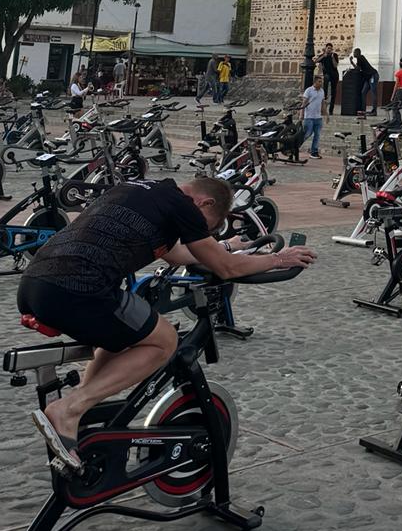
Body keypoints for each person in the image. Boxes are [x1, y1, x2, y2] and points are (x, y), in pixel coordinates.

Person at [17, 174, 315, 470]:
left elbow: (181, 254)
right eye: (205, 226)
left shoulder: (141, 191)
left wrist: (226, 245)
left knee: (127, 334)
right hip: (77, 288)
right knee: (164, 340)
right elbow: (227, 269)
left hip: (36, 285)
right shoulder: (184, 206)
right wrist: (279, 259)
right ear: (204, 202)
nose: (197, 231)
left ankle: (83, 415)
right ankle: (69, 410)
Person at [300, 74, 326, 158]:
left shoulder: (322, 91)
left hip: (318, 117)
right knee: (307, 134)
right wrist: (301, 114)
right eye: (319, 81)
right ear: (315, 82)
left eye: (321, 81)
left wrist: (326, 114)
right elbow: (304, 103)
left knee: (317, 135)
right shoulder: (309, 90)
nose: (321, 83)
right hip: (309, 117)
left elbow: (323, 103)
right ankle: (296, 146)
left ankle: (314, 151)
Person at [352, 48, 379, 116]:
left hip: (373, 75)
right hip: (368, 77)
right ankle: (363, 110)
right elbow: (359, 68)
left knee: (373, 92)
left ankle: (374, 110)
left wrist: (351, 62)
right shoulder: (360, 59)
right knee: (363, 92)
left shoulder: (360, 58)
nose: (353, 54)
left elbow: (357, 68)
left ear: (358, 53)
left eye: (354, 52)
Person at [319, 42, 340, 115]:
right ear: (326, 49)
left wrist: (332, 57)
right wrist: (323, 56)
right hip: (327, 75)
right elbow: (316, 61)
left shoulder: (334, 55)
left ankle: (331, 110)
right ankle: (324, 97)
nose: (329, 50)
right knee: (326, 80)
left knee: (333, 92)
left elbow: (335, 65)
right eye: (328, 48)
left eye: (330, 48)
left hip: (334, 75)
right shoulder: (323, 55)